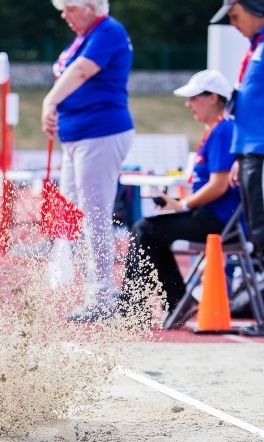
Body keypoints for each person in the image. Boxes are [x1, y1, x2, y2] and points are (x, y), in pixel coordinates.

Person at [115, 70, 239, 320]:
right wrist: (178, 205)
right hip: (210, 215)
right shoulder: (217, 130)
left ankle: (137, 308)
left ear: (213, 98)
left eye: (193, 97)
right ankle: (174, 301)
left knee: (145, 229)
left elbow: (219, 185)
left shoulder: (223, 130)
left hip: (220, 220)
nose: (188, 104)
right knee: (150, 231)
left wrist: (182, 204)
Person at [41, 0, 135, 323]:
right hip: (78, 135)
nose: (64, 16)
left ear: (91, 6)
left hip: (100, 132)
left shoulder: (108, 31)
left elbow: (81, 71)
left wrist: (50, 100)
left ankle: (101, 293)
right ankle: (87, 285)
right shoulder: (85, 37)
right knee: (74, 214)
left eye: (69, 8)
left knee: (94, 215)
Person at [212, 0, 264, 257]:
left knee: (262, 231)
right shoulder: (256, 47)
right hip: (249, 152)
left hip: (259, 153)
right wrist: (240, 154)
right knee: (257, 232)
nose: (233, 24)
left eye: (235, 16)